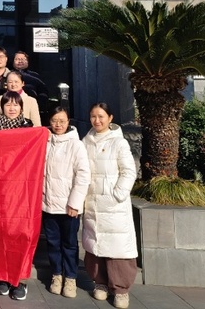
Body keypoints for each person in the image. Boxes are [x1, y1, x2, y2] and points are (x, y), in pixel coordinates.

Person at [82, 103, 138, 309]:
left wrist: (118, 194)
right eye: (93, 116)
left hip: (114, 204)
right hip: (92, 202)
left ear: (110, 118)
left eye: (101, 116)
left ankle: (121, 289)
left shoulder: (119, 142)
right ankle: (100, 282)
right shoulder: (85, 141)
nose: (97, 120)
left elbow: (128, 171)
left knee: (117, 247)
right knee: (95, 244)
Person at [42, 107, 90, 299]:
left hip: (68, 207)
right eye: (54, 120)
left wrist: (75, 203)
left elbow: (83, 175)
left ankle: (70, 278)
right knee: (53, 243)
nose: (58, 125)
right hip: (48, 204)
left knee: (69, 244)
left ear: (68, 121)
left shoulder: (76, 145)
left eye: (62, 121)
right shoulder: (45, 142)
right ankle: (56, 275)